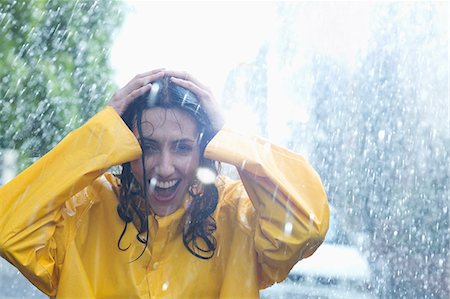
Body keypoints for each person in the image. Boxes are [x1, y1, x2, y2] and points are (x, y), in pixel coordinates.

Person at [0, 69, 329, 298]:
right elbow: (8, 228)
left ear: (204, 151)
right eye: (148, 147)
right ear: (126, 147)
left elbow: (305, 227)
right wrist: (100, 133)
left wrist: (230, 136)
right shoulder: (86, 209)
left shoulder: (235, 214)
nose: (164, 167)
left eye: (183, 147)